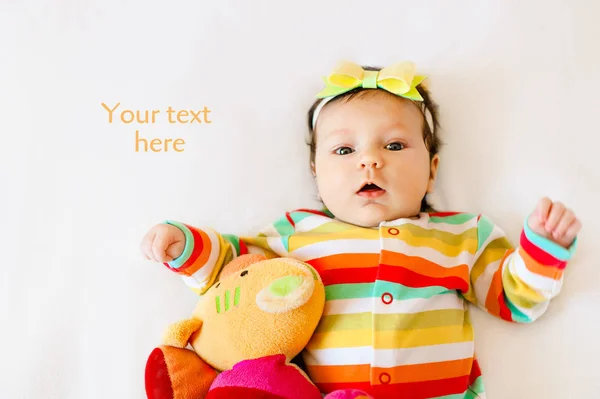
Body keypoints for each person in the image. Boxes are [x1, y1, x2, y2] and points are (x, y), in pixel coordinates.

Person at [141, 61, 582, 399]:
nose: (369, 161)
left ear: (431, 172)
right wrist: (184, 247)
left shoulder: (461, 236)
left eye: (393, 145)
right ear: (316, 173)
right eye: (344, 149)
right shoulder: (298, 232)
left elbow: (512, 299)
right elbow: (235, 267)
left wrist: (543, 252)